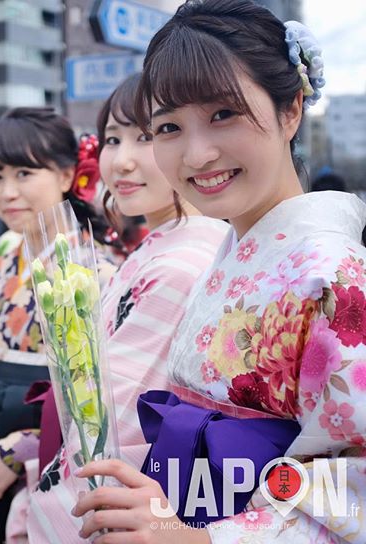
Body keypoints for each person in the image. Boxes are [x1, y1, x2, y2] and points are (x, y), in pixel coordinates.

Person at [72, 1, 366, 543]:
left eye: (223, 114)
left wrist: (198, 537)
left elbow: (356, 479)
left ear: (291, 109)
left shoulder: (333, 274)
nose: (197, 153)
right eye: (168, 127)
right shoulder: (232, 250)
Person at [21, 73, 229, 542]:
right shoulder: (165, 247)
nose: (123, 160)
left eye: (150, 135)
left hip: (120, 503)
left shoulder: (181, 261)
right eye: (113, 139)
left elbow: (116, 420)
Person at [0, 107, 120, 543]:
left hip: (50, 456)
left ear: (65, 174)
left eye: (23, 173)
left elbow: (101, 400)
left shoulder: (99, 272)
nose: (7, 191)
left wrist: (23, 449)